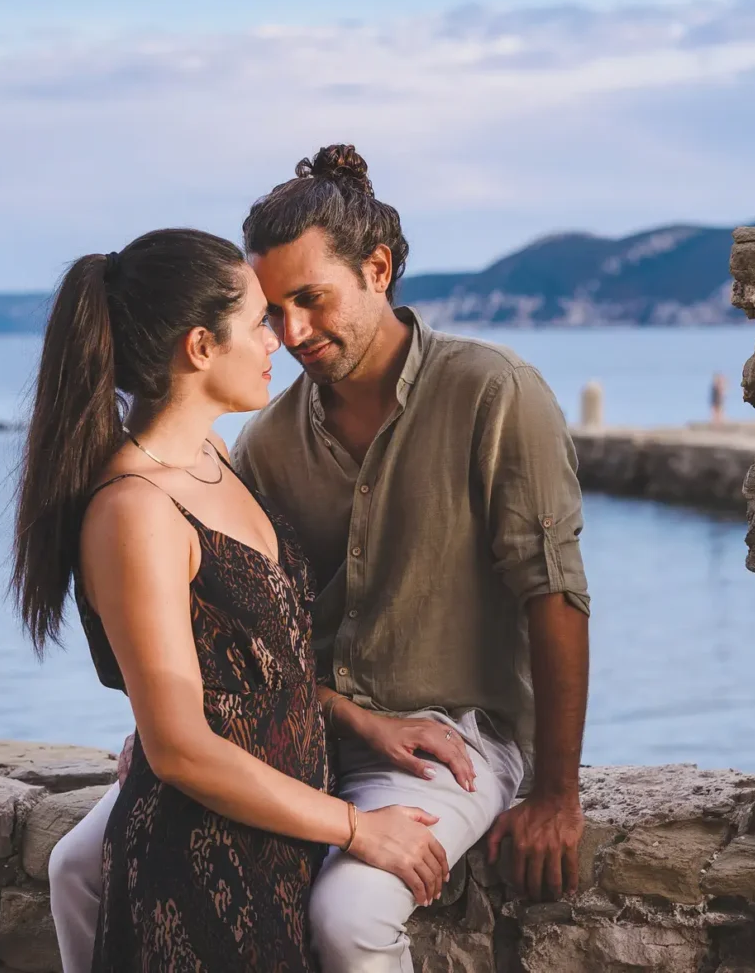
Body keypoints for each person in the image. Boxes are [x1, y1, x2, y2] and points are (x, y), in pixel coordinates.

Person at [49, 148, 592, 973]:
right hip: (307, 731)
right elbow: (242, 625)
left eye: (311, 299)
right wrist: (170, 733)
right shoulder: (258, 439)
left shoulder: (493, 392)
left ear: (377, 270)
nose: (292, 332)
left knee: (348, 916)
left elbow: (554, 594)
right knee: (75, 867)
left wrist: (557, 792)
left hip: (449, 738)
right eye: (272, 309)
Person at [13, 228, 449, 973]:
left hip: (271, 848)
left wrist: (355, 719)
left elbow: (252, 671)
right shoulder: (136, 510)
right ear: (199, 347)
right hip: (199, 879)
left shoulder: (213, 455)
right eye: (257, 321)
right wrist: (357, 828)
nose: (277, 338)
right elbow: (179, 746)